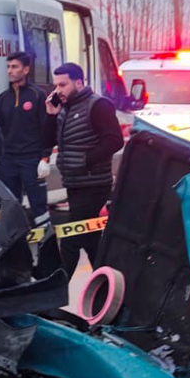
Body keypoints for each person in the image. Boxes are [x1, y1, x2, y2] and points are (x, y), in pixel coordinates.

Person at [48, 62, 123, 278]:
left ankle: (57, 289)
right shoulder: (65, 109)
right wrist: (51, 115)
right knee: (91, 239)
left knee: (71, 238)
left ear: (79, 83)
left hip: (94, 183)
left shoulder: (97, 105)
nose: (58, 90)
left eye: (63, 85)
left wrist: (85, 160)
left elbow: (115, 140)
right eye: (56, 85)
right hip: (74, 183)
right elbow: (47, 140)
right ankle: (108, 282)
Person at [0, 52, 54, 223]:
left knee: (38, 205)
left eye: (14, 67)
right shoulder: (3, 98)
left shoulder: (37, 95)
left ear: (26, 70)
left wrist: (45, 157)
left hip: (31, 158)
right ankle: (15, 236)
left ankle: (45, 235)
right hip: (9, 159)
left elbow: (47, 128)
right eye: (8, 67)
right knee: (10, 205)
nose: (9, 71)